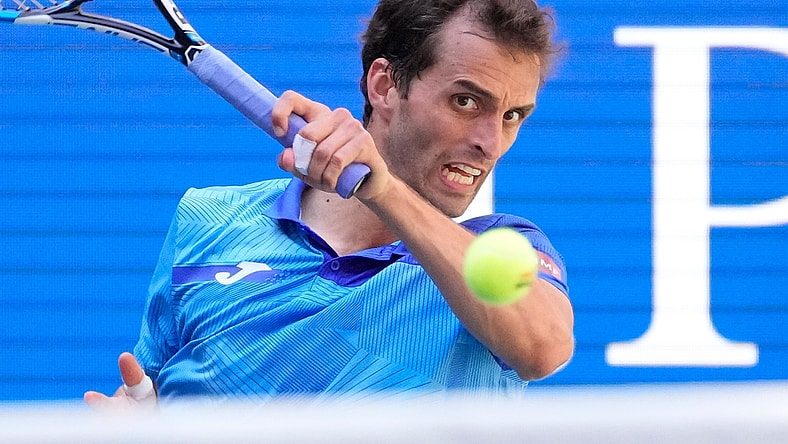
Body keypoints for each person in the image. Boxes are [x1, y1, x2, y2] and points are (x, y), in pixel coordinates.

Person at [84, 0, 574, 407]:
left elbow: (543, 347)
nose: (491, 142)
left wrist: (381, 190)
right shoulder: (210, 217)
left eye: (512, 115)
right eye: (466, 101)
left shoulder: (502, 248)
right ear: (385, 86)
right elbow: (144, 394)